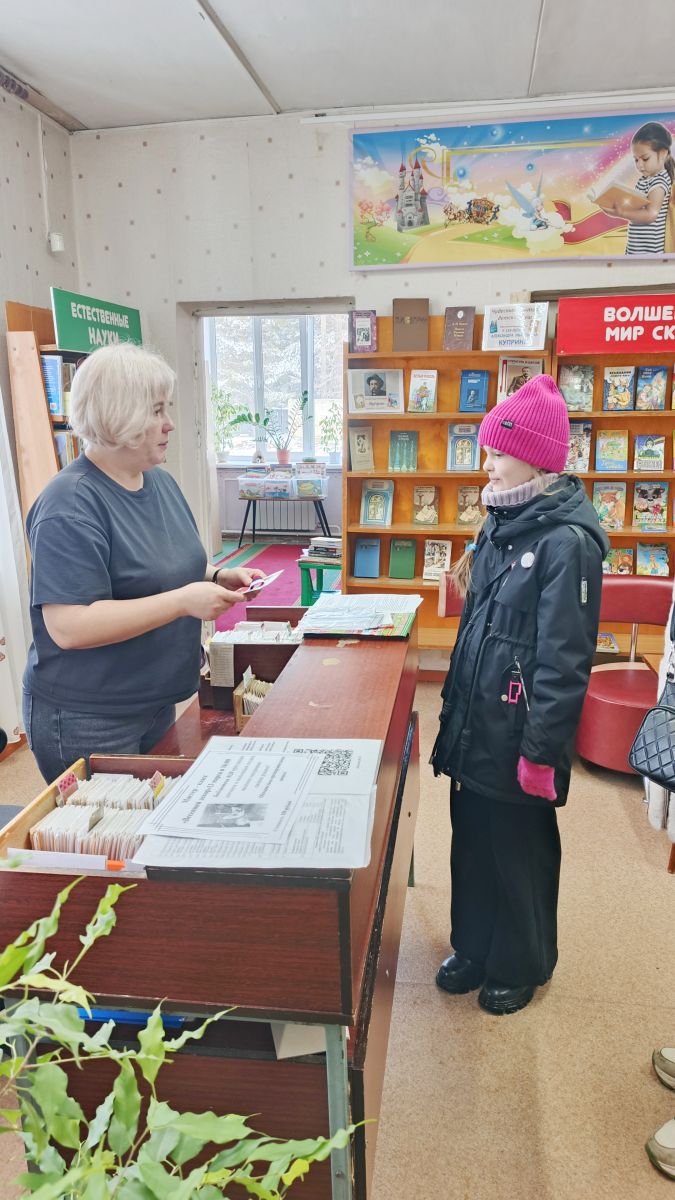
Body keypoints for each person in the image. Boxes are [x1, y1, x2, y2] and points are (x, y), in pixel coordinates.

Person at [430, 375, 608, 1015]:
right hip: (477, 725)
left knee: (518, 851)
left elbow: (564, 664)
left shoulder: (568, 544)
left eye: (498, 452)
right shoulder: (497, 522)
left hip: (520, 737)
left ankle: (521, 961)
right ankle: (475, 947)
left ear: (534, 459)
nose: (487, 462)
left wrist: (541, 752)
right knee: (472, 841)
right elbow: (475, 630)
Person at [22, 343, 264, 783]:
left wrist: (215, 576)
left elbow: (156, 566)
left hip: (154, 699)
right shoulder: (69, 504)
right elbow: (70, 626)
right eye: (156, 411)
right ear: (120, 415)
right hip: (88, 716)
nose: (169, 423)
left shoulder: (159, 482)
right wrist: (183, 601)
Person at [599, 121, 674, 256]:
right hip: (635, 248)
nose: (639, 165)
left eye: (645, 159)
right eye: (636, 160)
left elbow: (650, 215)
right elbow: (637, 208)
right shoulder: (644, 180)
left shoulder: (659, 181)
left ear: (663, 153)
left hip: (650, 253)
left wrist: (622, 213)